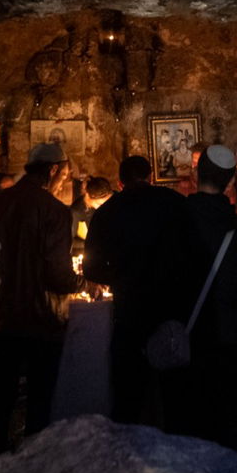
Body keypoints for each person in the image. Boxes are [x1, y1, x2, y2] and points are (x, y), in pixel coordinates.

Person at [0, 142, 82, 452]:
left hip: (3, 316)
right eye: (64, 173)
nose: (64, 179)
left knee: (3, 397)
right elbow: (56, 275)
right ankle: (33, 465)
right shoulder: (53, 211)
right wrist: (80, 281)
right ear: (52, 170)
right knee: (40, 400)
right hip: (41, 319)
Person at [83, 155, 198, 426]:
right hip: (171, 308)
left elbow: (92, 269)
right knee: (173, 391)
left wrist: (121, 277)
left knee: (129, 393)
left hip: (130, 308)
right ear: (150, 176)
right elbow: (193, 253)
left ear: (120, 183)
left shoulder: (107, 212)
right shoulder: (175, 204)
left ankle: (130, 451)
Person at [172, 144, 237, 445]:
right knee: (222, 428)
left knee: (184, 428)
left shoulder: (175, 220)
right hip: (226, 338)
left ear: (196, 172)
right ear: (231, 181)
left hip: (184, 336)